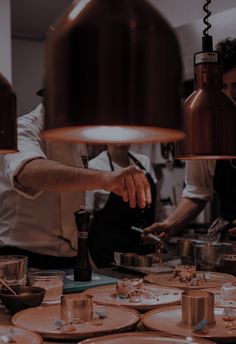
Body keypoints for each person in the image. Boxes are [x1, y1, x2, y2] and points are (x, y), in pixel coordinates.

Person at [0, 103, 151, 269]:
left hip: (68, 258)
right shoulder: (23, 127)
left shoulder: (77, 141)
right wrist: (104, 178)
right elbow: (29, 172)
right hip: (21, 258)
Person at [143, 37, 236, 242]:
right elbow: (196, 192)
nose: (229, 97)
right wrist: (170, 224)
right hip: (229, 245)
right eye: (222, 88)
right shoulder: (208, 134)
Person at [86, 143, 157, 267]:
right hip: (109, 253)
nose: (121, 141)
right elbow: (87, 217)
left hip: (145, 251)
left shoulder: (144, 162)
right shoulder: (94, 166)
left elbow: (156, 206)